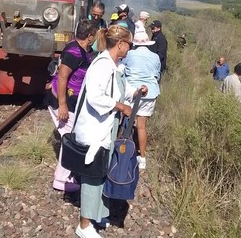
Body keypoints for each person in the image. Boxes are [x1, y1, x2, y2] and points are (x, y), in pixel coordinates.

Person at [73, 25, 149, 238]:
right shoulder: (103, 65)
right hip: (94, 131)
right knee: (92, 176)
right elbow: (95, 97)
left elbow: (117, 94)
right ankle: (84, 225)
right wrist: (120, 106)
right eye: (129, 45)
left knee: (101, 174)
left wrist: (135, 94)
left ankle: (96, 215)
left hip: (105, 130)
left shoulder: (113, 65)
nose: (129, 49)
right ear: (121, 44)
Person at [46, 19, 99, 192]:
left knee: (70, 136)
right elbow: (62, 76)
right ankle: (61, 180)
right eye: (95, 35)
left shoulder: (80, 48)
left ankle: (68, 175)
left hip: (70, 100)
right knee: (70, 138)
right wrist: (62, 105)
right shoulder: (75, 52)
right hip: (62, 100)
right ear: (90, 36)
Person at [121, 31, 160, 171]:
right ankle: (142, 158)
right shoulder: (155, 57)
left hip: (132, 91)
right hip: (150, 93)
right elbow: (157, 74)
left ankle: (122, 149)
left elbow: (123, 70)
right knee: (141, 126)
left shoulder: (130, 54)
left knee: (124, 119)